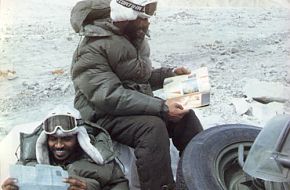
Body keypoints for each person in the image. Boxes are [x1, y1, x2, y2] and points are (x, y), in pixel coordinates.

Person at [70, 0, 204, 189]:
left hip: (128, 107)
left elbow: (141, 79)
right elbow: (108, 96)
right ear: (126, 16)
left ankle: (201, 173)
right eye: (142, 18)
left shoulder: (133, 38)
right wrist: (162, 108)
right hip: (101, 114)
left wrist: (170, 75)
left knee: (185, 116)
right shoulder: (92, 48)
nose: (147, 23)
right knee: (152, 128)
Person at [1, 106, 129, 190]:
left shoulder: (101, 162)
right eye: (53, 139)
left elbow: (120, 185)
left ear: (79, 139)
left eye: (66, 139)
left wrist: (89, 187)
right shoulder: (27, 165)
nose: (58, 145)